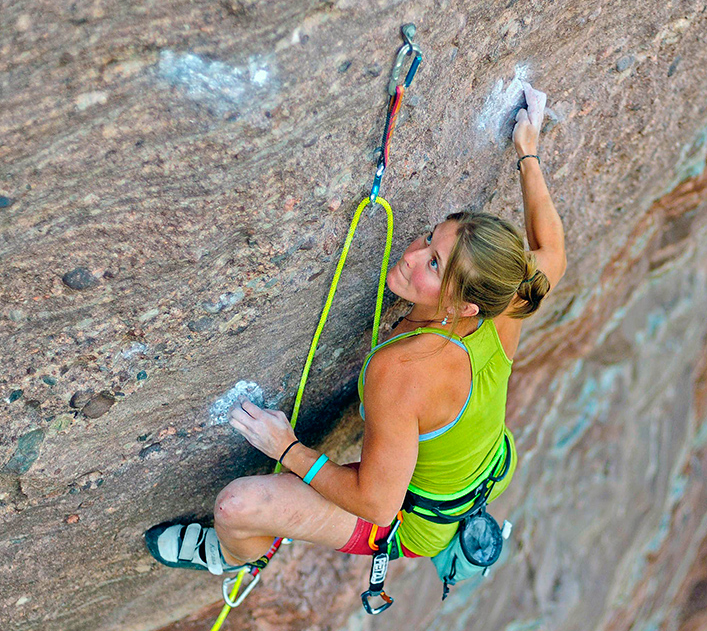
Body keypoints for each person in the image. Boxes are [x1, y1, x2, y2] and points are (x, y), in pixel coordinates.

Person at [145, 82, 566, 574]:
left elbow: (378, 504)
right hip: (478, 469)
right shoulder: (508, 297)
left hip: (411, 519)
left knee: (238, 509)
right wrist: (527, 150)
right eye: (429, 238)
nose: (409, 257)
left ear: (466, 306)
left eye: (433, 264)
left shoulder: (403, 371)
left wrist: (289, 450)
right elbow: (553, 253)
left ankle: (233, 557)